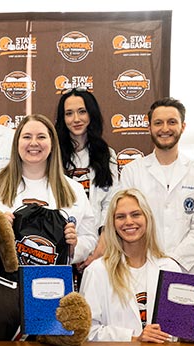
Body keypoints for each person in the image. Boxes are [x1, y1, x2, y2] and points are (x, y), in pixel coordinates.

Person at [0, 114, 97, 266]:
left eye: (41, 137)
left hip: (53, 283)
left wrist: (73, 247)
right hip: (3, 281)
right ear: (16, 143)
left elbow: (89, 237)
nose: (33, 143)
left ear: (52, 143)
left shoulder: (73, 189)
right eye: (26, 137)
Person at [119, 97, 194, 281]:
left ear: (183, 126)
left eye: (172, 122)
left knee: (184, 311)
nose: (165, 129)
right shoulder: (132, 171)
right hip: (143, 268)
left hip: (190, 270)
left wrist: (173, 261)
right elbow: (126, 223)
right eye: (158, 123)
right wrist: (156, 263)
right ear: (149, 127)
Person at [79, 189, 181, 342]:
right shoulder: (96, 271)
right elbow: (87, 331)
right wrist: (134, 339)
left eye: (135, 214)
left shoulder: (169, 268)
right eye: (120, 217)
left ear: (148, 218)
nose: (129, 222)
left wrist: (189, 329)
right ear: (112, 224)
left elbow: (175, 333)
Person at [55, 88, 119, 269]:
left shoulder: (107, 155)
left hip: (101, 248)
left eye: (82, 111)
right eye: (69, 113)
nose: (76, 119)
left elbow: (110, 204)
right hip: (61, 245)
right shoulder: (53, 155)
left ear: (91, 114)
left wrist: (99, 249)